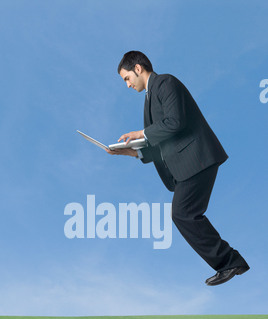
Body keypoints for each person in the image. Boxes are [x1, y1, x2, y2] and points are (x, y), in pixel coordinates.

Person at [106, 50, 250, 286]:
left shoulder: (165, 83)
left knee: (183, 213)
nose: (128, 84)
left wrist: (141, 133)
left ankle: (231, 262)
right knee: (184, 214)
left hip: (198, 159)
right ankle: (230, 262)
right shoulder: (150, 97)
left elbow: (175, 122)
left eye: (127, 78)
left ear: (138, 68)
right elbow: (164, 141)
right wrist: (131, 152)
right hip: (187, 165)